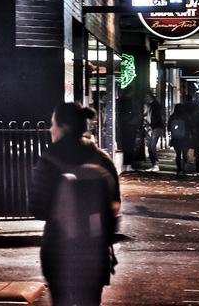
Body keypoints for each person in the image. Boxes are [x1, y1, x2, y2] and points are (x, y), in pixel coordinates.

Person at [30, 102, 121, 306]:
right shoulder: (102, 159)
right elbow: (115, 204)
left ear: (63, 127)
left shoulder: (49, 161)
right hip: (94, 253)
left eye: (53, 124)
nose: (51, 129)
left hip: (59, 251)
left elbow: (37, 207)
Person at [168, 95, 194, 176]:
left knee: (178, 154)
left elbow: (169, 128)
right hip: (185, 138)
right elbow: (190, 126)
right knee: (185, 153)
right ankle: (184, 168)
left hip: (176, 138)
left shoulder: (172, 117)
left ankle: (179, 168)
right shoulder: (186, 116)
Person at [117, 88, 139, 171]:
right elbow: (133, 114)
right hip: (129, 127)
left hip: (124, 126)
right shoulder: (129, 102)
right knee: (130, 146)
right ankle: (128, 164)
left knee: (125, 145)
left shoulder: (121, 101)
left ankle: (126, 164)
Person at [143, 92, 164, 171]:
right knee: (150, 146)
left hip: (155, 127)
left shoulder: (155, 106)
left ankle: (156, 164)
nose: (146, 98)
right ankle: (154, 164)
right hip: (151, 127)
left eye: (147, 97)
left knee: (152, 146)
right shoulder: (150, 106)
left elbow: (155, 117)